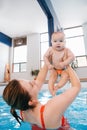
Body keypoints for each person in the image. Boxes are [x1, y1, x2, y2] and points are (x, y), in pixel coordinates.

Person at [3, 64, 81, 130]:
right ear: (31, 101)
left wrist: (47, 61)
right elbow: (76, 87)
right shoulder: (51, 109)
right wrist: (67, 65)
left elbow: (39, 80)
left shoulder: (22, 110)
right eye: (31, 84)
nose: (34, 81)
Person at [44, 31, 75, 96]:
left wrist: (65, 63)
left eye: (61, 41)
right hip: (54, 68)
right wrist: (48, 64)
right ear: (51, 42)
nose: (58, 43)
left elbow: (72, 57)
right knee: (52, 77)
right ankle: (51, 91)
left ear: (65, 42)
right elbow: (45, 56)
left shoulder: (66, 50)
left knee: (66, 76)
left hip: (63, 69)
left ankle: (58, 86)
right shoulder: (50, 49)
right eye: (55, 41)